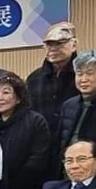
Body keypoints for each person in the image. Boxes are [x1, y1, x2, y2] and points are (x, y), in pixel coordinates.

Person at [28, 23, 81, 176]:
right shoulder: (34, 79)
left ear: (74, 44)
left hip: (77, 154)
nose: (53, 49)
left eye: (59, 43)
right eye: (49, 44)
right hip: (42, 154)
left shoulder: (84, 76)